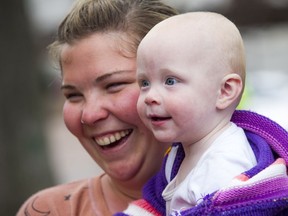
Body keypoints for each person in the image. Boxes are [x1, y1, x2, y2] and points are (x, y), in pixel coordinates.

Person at [117, 12, 288, 216]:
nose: (150, 96)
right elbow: (155, 205)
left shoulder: (225, 165)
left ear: (225, 91)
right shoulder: (180, 152)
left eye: (170, 81)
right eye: (144, 83)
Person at [16, 0, 178, 215]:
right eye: (73, 95)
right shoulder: (50, 210)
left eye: (114, 85)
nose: (90, 115)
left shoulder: (233, 194)